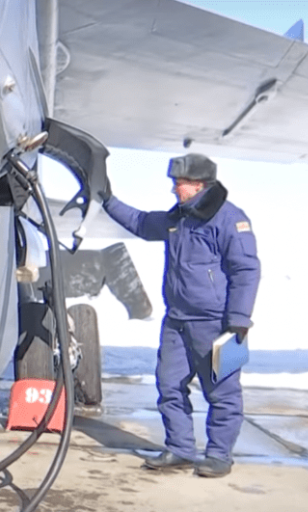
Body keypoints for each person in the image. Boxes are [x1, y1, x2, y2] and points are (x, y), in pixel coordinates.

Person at [100, 153, 260, 478]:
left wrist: (239, 320)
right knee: (169, 385)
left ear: (199, 185)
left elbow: (246, 271)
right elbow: (142, 223)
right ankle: (181, 449)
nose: (174, 189)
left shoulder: (231, 219)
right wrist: (107, 199)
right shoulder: (180, 217)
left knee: (223, 392)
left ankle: (219, 455)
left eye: (179, 183)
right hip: (176, 322)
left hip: (220, 324)